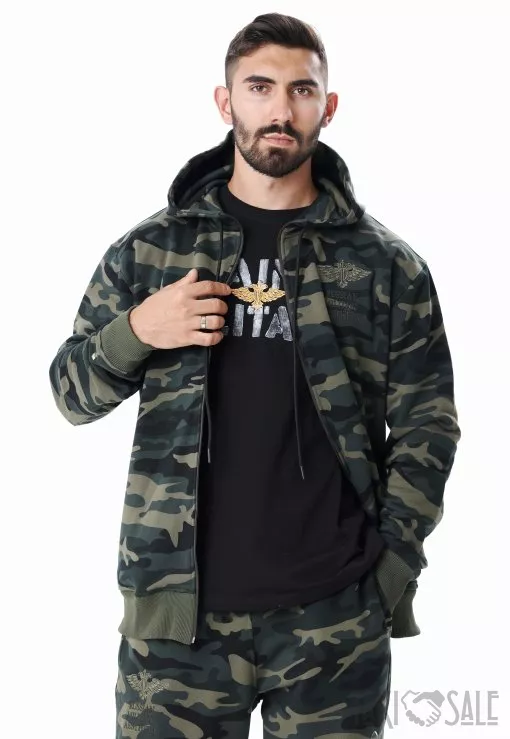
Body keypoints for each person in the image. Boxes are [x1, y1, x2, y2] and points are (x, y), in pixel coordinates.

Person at [49, 12, 461, 739]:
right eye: (260, 87)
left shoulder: (387, 266)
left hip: (335, 618)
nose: (280, 110)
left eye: (302, 90)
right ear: (225, 101)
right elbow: (70, 394)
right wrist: (139, 330)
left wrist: (391, 568)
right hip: (177, 622)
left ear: (328, 107)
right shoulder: (152, 251)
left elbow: (429, 423)